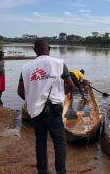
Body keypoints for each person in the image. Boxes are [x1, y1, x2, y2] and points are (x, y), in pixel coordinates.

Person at [17, 39, 74, 174]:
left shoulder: (25, 68)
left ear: (34, 50)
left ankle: (42, 171)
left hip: (36, 111)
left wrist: (31, 100)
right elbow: (71, 85)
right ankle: (60, 171)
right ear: (49, 48)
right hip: (54, 110)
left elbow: (20, 91)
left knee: (40, 142)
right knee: (59, 142)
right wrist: (60, 97)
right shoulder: (59, 63)